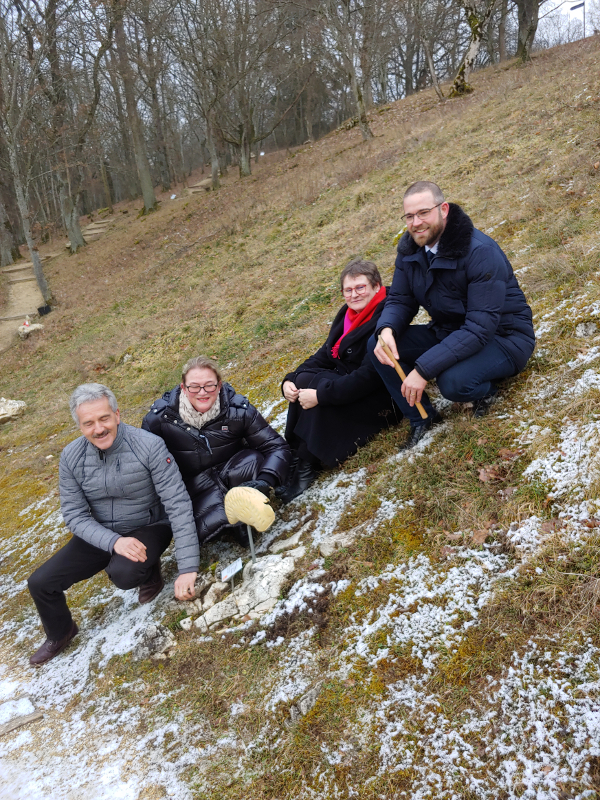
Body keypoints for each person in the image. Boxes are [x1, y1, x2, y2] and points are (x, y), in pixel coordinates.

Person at [27, 384, 200, 667]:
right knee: (41, 583)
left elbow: (178, 505)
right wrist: (113, 542)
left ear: (117, 415)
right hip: (103, 533)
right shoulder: (71, 457)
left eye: (104, 418)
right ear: (80, 426)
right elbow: (74, 515)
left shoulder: (148, 446)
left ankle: (149, 572)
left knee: (124, 573)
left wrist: (188, 569)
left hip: (149, 524)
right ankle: (61, 632)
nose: (98, 429)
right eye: (89, 423)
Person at [371, 180, 535, 450]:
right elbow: (401, 298)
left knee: (453, 383)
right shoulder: (410, 250)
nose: (416, 222)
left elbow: (480, 328)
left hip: (504, 337)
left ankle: (488, 389)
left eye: (424, 212)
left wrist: (423, 370)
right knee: (379, 346)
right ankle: (422, 418)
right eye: (410, 216)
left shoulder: (480, 252)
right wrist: (386, 329)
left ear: (443, 209)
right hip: (449, 330)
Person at [279, 259, 398, 502]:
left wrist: (322, 394)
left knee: (317, 393)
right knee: (304, 379)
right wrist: (288, 381)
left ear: (377, 286)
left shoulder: (387, 315)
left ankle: (306, 463)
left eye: (360, 288)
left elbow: (368, 376)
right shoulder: (348, 314)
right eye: (348, 290)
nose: (354, 295)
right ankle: (294, 456)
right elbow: (324, 354)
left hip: (379, 395)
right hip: (349, 381)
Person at [142, 356, 290, 545]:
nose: (202, 392)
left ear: (219, 386)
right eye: (194, 386)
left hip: (237, 474)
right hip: (194, 491)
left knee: (252, 458)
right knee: (196, 530)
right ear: (183, 388)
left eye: (209, 385)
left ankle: (244, 519)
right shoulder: (159, 420)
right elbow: (148, 473)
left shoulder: (238, 410)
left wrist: (264, 481)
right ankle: (229, 521)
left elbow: (276, 446)